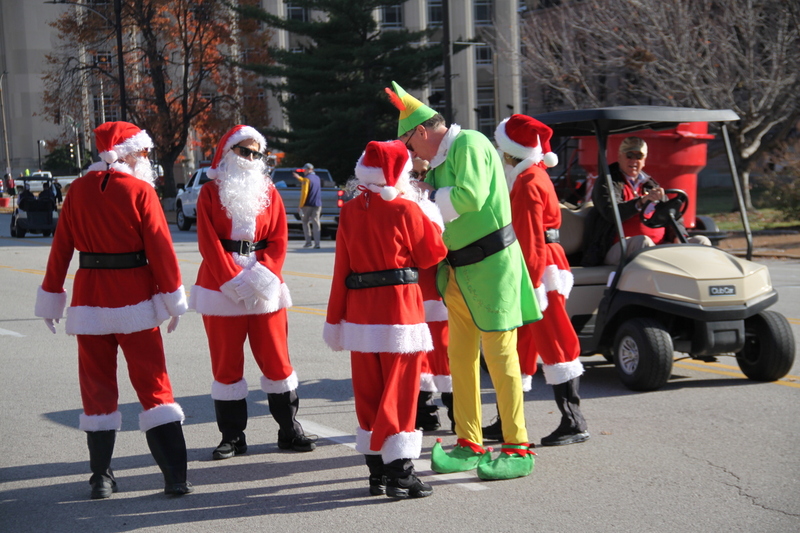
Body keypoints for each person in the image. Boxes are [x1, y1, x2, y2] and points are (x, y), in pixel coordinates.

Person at [386, 81, 541, 480]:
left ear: (421, 131)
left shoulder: (469, 143)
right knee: (461, 359)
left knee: (501, 359)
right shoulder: (443, 159)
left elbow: (470, 198)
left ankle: (517, 447)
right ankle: (469, 441)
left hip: (491, 269)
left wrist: (422, 196)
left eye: (408, 143)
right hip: (459, 272)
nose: (410, 152)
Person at [33, 121, 192, 499]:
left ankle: (101, 477)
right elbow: (161, 251)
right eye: (143, 152)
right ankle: (174, 477)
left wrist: (52, 294)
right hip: (134, 299)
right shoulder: (140, 191)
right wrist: (173, 299)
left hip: (89, 302)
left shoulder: (76, 192)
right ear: (127, 152)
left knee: (97, 389)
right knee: (154, 386)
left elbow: (61, 250)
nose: (147, 159)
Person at [323, 139, 448, 499]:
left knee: (369, 392)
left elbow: (340, 270)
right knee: (401, 391)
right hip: (398, 308)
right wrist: (430, 215)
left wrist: (335, 319)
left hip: (360, 313)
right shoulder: (406, 209)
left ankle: (376, 472)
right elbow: (430, 255)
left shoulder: (350, 209)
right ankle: (401, 473)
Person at [189, 125, 316, 459]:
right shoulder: (209, 193)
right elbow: (208, 242)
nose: (250, 159)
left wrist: (263, 274)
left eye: (256, 154)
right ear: (229, 153)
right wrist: (231, 279)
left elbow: (279, 238)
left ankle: (289, 429)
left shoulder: (270, 192)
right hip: (220, 288)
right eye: (244, 152)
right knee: (226, 365)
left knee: (277, 359)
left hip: (264, 284)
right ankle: (232, 436)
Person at [489, 114, 589, 446]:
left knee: (555, 341)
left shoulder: (528, 181)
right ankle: (507, 420)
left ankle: (574, 422)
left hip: (538, 270)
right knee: (521, 345)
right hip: (540, 265)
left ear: (508, 152)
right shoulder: (535, 175)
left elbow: (530, 239)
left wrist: (528, 285)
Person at [584, 137, 711, 266]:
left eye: (638, 156)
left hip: (657, 246)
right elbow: (611, 213)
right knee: (643, 242)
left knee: (701, 242)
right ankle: (654, 284)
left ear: (644, 160)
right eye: (629, 155)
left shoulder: (650, 184)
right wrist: (640, 202)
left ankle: (699, 283)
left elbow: (671, 215)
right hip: (615, 248)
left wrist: (677, 236)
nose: (633, 160)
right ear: (620, 156)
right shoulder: (608, 182)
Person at [410, 157, 454, 434]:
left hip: (437, 281)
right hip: (416, 284)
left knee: (443, 349)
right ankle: (425, 412)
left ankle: (458, 415)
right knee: (419, 350)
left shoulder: (441, 194)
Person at [293, 163, 322, 248]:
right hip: (317, 204)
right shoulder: (317, 178)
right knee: (316, 222)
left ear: (310, 169)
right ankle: (317, 243)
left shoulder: (306, 179)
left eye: (305, 170)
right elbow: (306, 181)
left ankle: (308, 242)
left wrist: (300, 205)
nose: (304, 172)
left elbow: (304, 193)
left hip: (307, 205)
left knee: (305, 222)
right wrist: (299, 178)